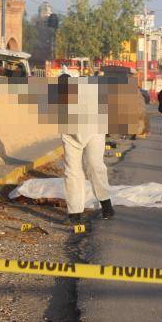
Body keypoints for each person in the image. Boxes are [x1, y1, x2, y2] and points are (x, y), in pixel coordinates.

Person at [56, 74, 115, 225]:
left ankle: (106, 203)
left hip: (93, 129)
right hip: (71, 135)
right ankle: (74, 213)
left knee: (94, 166)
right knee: (72, 172)